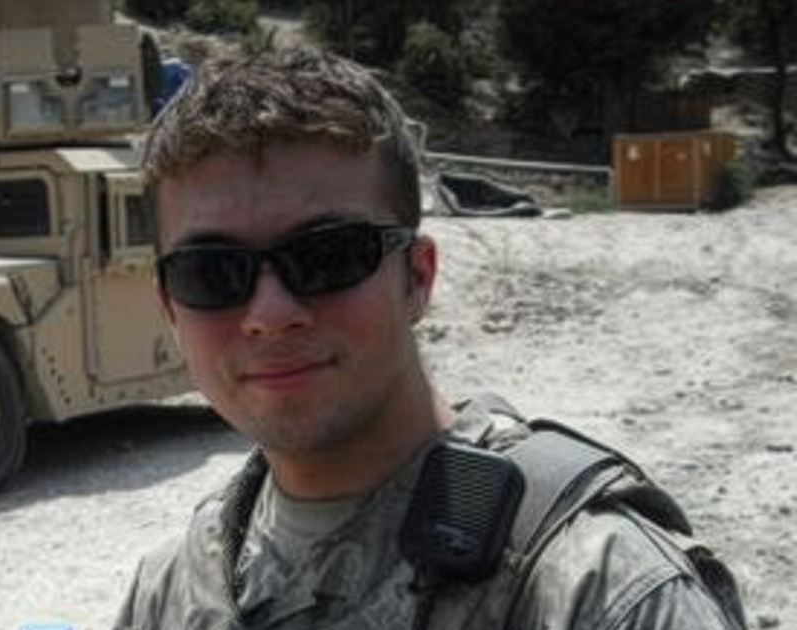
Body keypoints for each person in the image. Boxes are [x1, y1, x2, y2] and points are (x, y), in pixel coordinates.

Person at [113, 47, 740, 630]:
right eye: (212, 273)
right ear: (169, 303)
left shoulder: (596, 588)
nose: (270, 313)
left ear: (418, 277)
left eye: (329, 256)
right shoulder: (173, 589)